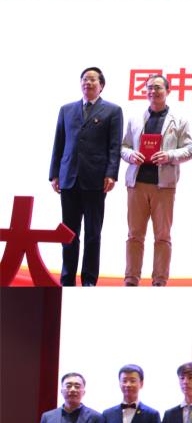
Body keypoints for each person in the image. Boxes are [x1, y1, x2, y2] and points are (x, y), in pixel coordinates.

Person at [49, 67, 123, 286]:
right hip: (69, 178)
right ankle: (67, 278)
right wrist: (54, 174)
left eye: (92, 79)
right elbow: (59, 143)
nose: (87, 83)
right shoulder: (66, 109)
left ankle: (89, 279)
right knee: (68, 234)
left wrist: (111, 174)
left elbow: (114, 146)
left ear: (101, 85)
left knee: (92, 233)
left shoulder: (112, 111)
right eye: (84, 79)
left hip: (96, 179)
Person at [121, 74, 192, 286]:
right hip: (137, 184)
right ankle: (131, 279)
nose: (153, 91)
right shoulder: (136, 119)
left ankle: (160, 280)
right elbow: (123, 146)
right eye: (150, 88)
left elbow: (190, 149)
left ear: (168, 91)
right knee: (134, 235)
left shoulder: (179, 120)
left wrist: (169, 155)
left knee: (162, 236)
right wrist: (130, 155)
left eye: (158, 88)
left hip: (164, 186)